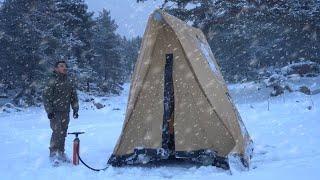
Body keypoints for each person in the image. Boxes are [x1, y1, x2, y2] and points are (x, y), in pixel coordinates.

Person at [42, 60, 79, 164]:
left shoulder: (69, 81)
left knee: (63, 132)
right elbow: (46, 97)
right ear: (56, 69)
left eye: (65, 66)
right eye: (61, 66)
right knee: (56, 132)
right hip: (55, 112)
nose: (64, 68)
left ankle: (61, 153)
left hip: (65, 112)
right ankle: (53, 154)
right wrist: (49, 111)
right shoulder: (52, 81)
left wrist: (75, 110)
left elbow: (74, 97)